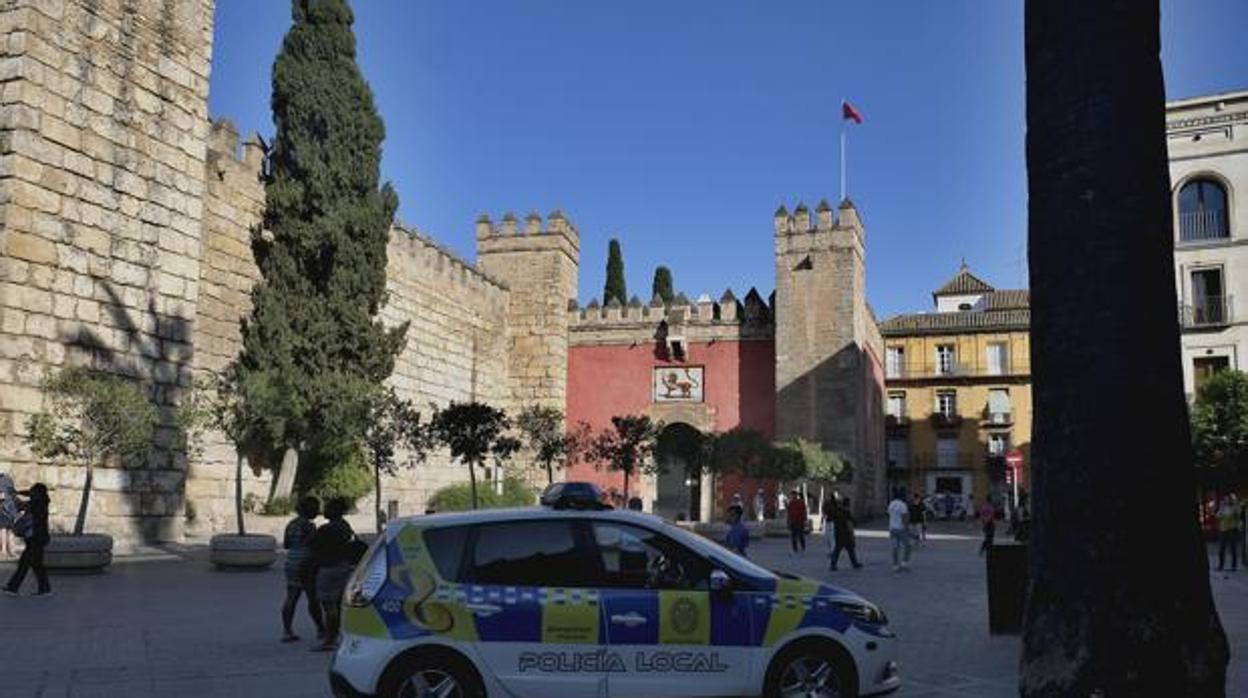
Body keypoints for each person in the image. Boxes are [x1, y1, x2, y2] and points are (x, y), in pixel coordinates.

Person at [307, 497, 356, 651]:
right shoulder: (345, 526)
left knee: (329, 606)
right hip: (344, 567)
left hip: (328, 567)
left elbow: (311, 544)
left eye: (328, 508)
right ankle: (337, 634)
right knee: (338, 604)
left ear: (335, 511)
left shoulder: (326, 529)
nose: (325, 510)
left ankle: (329, 640)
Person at [281, 496, 325, 643]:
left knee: (291, 597)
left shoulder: (291, 524)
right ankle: (321, 629)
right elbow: (315, 545)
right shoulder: (309, 526)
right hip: (306, 564)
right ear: (308, 510)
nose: (318, 511)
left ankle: (287, 631)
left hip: (291, 562)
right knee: (313, 598)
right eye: (315, 508)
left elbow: (286, 544)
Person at [3, 483, 52, 597]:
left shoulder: (37, 504)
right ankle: (45, 589)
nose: (31, 493)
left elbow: (22, 505)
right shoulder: (41, 501)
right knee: (37, 565)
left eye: (33, 491)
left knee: (24, 564)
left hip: (36, 538)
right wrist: (17, 493)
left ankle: (13, 588)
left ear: (38, 493)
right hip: (37, 538)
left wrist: (14, 496)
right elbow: (27, 495)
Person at [828, 498, 863, 571]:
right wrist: (854, 524)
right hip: (845, 534)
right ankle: (854, 563)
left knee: (838, 550)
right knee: (849, 549)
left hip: (838, 533)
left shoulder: (837, 511)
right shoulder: (845, 512)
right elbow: (850, 521)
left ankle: (833, 565)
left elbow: (833, 519)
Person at [887, 489, 911, 572]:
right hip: (901, 528)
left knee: (895, 547)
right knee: (908, 545)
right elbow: (904, 517)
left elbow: (889, 514)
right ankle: (904, 562)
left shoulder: (891, 504)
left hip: (892, 528)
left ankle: (895, 565)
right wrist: (907, 528)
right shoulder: (903, 505)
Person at [1216, 493, 1240, 573]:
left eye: (1228, 499)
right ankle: (1221, 565)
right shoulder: (1222, 508)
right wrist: (1221, 509)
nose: (1226, 500)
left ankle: (1234, 566)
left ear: (1230, 500)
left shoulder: (1234, 507)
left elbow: (1238, 514)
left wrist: (1235, 503)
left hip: (1232, 530)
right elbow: (1217, 516)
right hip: (1223, 530)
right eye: (1225, 499)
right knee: (1221, 549)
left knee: (1233, 548)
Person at [0, 473, 18, 559]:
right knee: (10, 530)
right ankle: (12, 550)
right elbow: (14, 493)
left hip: (3, 509)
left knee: (3, 529)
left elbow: (2, 496)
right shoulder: (9, 479)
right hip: (11, 509)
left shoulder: (2, 481)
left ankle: (4, 550)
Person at [786, 489, 807, 554]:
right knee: (794, 535)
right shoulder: (791, 503)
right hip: (793, 521)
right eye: (791, 495)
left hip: (799, 520)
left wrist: (804, 519)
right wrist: (788, 521)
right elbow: (789, 513)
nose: (792, 496)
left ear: (795, 495)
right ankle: (795, 548)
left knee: (800, 534)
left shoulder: (800, 502)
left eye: (793, 495)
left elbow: (804, 511)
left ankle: (802, 546)